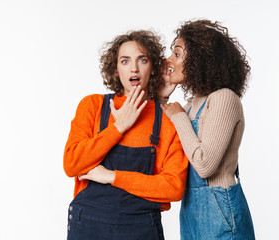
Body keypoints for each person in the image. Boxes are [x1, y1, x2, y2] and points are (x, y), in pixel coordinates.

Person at [63, 30, 188, 240]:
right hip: (89, 228)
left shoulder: (168, 117)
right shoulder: (93, 106)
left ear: (153, 67)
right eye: (125, 61)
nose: (134, 68)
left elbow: (173, 188)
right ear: (115, 68)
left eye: (143, 60)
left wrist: (111, 177)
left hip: (141, 229)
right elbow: (72, 163)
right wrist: (118, 127)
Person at [159, 19, 255, 239]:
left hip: (220, 207)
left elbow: (205, 165)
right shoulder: (192, 105)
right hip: (191, 210)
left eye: (177, 54)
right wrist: (164, 96)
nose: (169, 60)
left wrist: (180, 118)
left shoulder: (224, 99)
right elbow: (159, 140)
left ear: (199, 59)